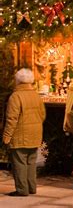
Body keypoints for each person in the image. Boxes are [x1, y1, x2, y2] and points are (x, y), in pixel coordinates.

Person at [2, 68, 46, 197]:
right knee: (31, 162)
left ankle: (22, 190)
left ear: (17, 80)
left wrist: (6, 136)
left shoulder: (16, 96)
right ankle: (32, 187)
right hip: (35, 134)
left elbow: (11, 119)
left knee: (20, 163)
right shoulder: (36, 95)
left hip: (20, 135)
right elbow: (42, 115)